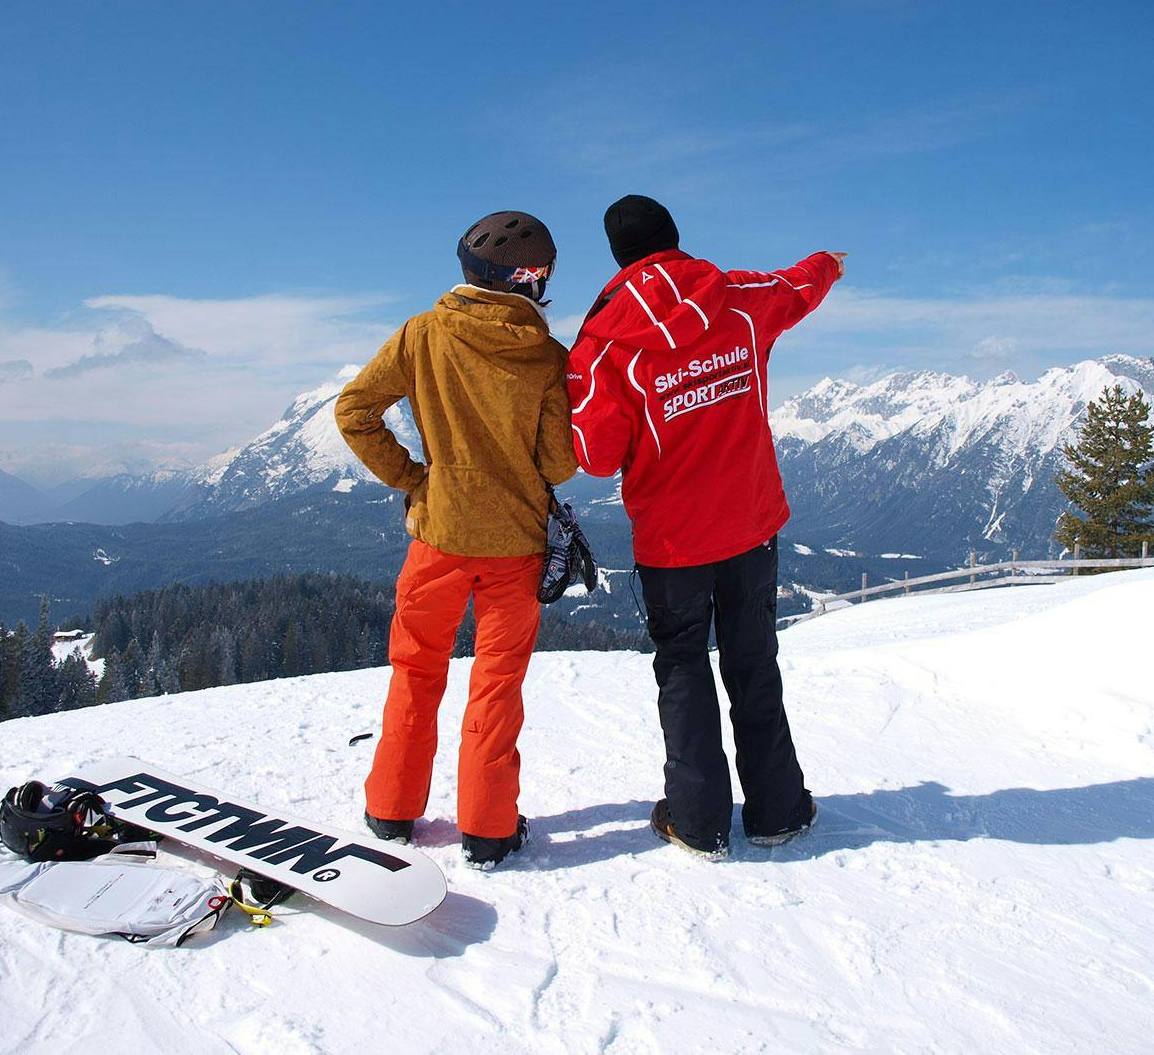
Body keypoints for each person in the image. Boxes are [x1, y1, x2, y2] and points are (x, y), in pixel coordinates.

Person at [567, 194, 846, 859]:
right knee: (754, 661)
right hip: (750, 525)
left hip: (672, 544)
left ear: (618, 257)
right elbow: (796, 286)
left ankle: (699, 822)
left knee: (684, 670)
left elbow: (596, 454)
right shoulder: (737, 300)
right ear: (675, 237)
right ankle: (777, 809)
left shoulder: (606, 345)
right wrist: (829, 264)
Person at [335, 211, 577, 868]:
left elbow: (354, 412)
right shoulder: (550, 359)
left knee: (416, 671)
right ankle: (489, 829)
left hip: (438, 536)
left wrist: (414, 479)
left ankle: (390, 811)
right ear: (531, 278)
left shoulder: (422, 334)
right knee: (496, 685)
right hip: (516, 546)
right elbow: (559, 464)